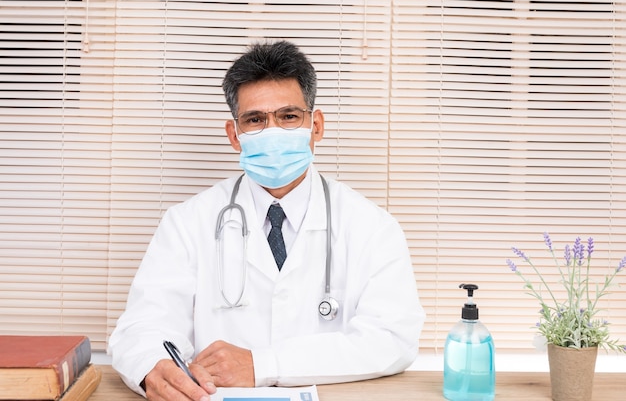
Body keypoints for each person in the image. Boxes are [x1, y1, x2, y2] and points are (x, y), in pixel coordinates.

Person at [108, 40, 425, 401]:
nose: (272, 131)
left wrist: (263, 364)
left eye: (289, 116)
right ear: (234, 135)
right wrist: (153, 367)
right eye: (255, 120)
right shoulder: (187, 222)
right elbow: (143, 326)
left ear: (316, 126)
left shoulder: (372, 227)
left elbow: (392, 339)